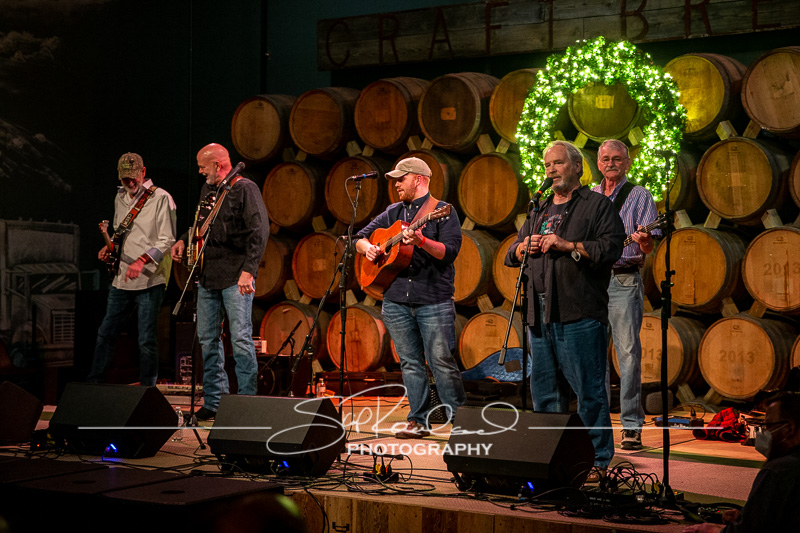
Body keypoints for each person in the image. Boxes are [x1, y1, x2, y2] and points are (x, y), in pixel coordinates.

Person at [504, 140, 625, 480]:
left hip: (579, 311)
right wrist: (520, 249)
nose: (551, 170)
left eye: (557, 164)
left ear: (576, 167)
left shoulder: (597, 206)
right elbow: (509, 254)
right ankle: (551, 456)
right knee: (545, 392)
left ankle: (598, 460)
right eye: (547, 166)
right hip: (539, 313)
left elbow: (610, 248)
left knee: (588, 391)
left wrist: (566, 244)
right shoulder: (539, 208)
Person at [354, 157, 465, 438]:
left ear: (418, 179)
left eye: (401, 179)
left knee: (440, 361)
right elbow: (358, 237)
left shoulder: (442, 211)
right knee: (410, 362)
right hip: (396, 301)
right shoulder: (393, 211)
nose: (396, 184)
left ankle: (462, 424)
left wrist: (422, 241)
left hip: (433, 299)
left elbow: (449, 252)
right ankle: (418, 421)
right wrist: (367, 248)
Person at [170, 143, 269, 421]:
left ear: (217, 164)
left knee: (240, 339)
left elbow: (259, 231)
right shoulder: (209, 190)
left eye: (203, 166)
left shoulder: (244, 188)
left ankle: (247, 403)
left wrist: (249, 271)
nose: (200, 171)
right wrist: (182, 240)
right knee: (207, 340)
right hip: (208, 275)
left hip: (236, 276)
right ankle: (215, 401)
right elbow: (202, 226)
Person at [591, 139, 660, 451]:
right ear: (597, 161)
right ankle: (598, 425)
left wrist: (644, 241)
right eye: (605, 158)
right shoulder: (590, 195)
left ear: (628, 162)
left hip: (623, 280)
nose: (610, 163)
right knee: (593, 355)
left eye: (617, 159)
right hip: (591, 283)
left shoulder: (640, 195)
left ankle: (631, 426)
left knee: (628, 354)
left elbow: (648, 245)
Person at [88, 152, 177, 387]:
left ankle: (147, 388)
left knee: (146, 338)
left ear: (143, 172)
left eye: (133, 177)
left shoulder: (161, 198)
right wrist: (109, 248)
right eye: (125, 178)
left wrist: (141, 261)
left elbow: (167, 240)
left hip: (150, 279)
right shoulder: (120, 197)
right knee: (106, 332)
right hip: (121, 279)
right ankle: (94, 384)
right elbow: (120, 233)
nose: (130, 183)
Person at [683, 391, 800, 532]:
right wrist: (746, 515)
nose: (765, 433)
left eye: (770, 426)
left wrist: (713, 530)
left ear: (790, 429)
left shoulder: (778, 471)